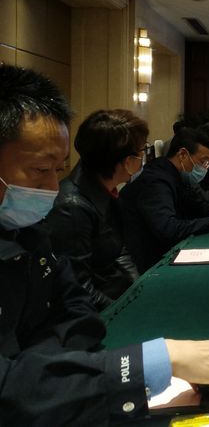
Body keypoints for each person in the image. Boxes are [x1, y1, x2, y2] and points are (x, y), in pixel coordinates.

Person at [0, 65, 209, 426]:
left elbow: (76, 313)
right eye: (41, 170)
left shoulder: (27, 229)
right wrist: (147, 364)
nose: (53, 188)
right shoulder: (67, 208)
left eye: (58, 170)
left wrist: (48, 372)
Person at [44, 109, 147, 310]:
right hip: (94, 313)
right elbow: (78, 289)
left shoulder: (106, 189)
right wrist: (124, 311)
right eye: (142, 151)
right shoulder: (71, 208)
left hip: (115, 296)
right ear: (127, 161)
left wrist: (138, 288)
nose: (143, 159)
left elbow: (118, 249)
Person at [119, 127, 209, 273]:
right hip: (150, 262)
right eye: (203, 161)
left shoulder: (176, 173)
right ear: (183, 154)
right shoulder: (156, 181)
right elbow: (168, 229)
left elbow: (195, 204)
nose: (204, 167)